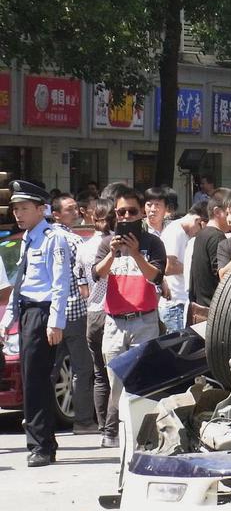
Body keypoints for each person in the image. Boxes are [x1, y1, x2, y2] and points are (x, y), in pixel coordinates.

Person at [0, 181, 72, 466]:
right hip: (28, 312)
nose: (18, 214)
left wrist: (55, 322)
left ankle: (41, 445)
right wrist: (8, 321)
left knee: (37, 381)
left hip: (43, 314)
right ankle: (42, 442)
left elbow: (60, 283)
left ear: (41, 209)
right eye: (16, 209)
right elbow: (20, 285)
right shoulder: (27, 238)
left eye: (24, 208)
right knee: (32, 380)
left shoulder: (54, 238)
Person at [92, 188, 166, 449]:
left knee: (144, 382)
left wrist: (135, 253)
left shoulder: (153, 243)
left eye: (131, 211)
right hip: (114, 323)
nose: (125, 216)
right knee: (116, 383)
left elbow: (156, 277)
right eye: (120, 212)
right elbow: (96, 274)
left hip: (144, 321)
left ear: (141, 212)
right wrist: (113, 253)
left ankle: (143, 437)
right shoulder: (106, 243)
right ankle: (118, 433)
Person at [50, 194, 98, 434]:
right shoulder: (72, 240)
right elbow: (86, 275)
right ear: (55, 213)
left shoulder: (44, 238)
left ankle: (40, 417)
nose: (76, 212)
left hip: (52, 314)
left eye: (75, 208)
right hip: (75, 311)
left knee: (52, 368)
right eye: (69, 209)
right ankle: (83, 421)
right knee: (82, 368)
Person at [78, 198, 114, 438]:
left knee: (100, 374)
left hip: (92, 314)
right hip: (113, 313)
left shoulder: (83, 247)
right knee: (117, 375)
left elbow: (82, 288)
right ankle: (115, 426)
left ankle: (103, 426)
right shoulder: (115, 245)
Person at [158, 201, 207, 333]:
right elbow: (168, 267)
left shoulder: (181, 232)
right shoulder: (176, 232)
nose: (198, 233)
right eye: (201, 228)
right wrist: (195, 268)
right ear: (198, 220)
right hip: (175, 304)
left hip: (180, 302)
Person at [188, 189, 230, 310]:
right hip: (212, 310)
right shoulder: (217, 237)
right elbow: (221, 275)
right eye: (229, 213)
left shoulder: (202, 234)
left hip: (199, 306)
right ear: (217, 212)